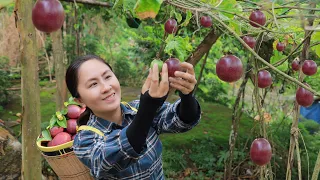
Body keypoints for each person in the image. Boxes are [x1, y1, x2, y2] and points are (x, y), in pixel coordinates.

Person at [65, 54, 201, 179]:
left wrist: (187, 95)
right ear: (80, 100)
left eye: (107, 77)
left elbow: (181, 121)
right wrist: (147, 110)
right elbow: (114, 157)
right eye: (93, 84)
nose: (106, 87)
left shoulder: (137, 108)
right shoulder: (84, 140)